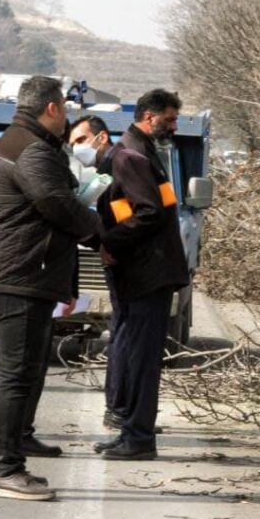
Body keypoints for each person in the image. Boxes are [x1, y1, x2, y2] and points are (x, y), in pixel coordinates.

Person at [0, 76, 101, 501]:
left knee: (6, 374)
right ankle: (7, 470)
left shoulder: (13, 142)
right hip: (21, 276)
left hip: (17, 273)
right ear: (51, 108)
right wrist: (100, 232)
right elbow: (57, 204)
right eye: (65, 110)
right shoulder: (31, 149)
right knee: (15, 376)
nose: (66, 120)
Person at [93, 89, 189, 460]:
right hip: (145, 273)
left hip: (149, 274)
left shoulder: (140, 153)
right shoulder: (133, 156)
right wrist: (111, 242)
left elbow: (153, 211)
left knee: (142, 359)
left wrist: (110, 242)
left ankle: (137, 437)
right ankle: (132, 433)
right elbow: (147, 211)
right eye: (169, 119)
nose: (174, 125)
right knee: (138, 357)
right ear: (149, 117)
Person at [68, 115, 127, 429]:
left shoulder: (119, 171)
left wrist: (110, 244)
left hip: (123, 263)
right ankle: (116, 408)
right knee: (121, 337)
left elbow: (130, 218)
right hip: (116, 263)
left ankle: (117, 408)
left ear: (101, 138)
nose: (77, 148)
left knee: (123, 338)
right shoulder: (103, 174)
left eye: (80, 140)